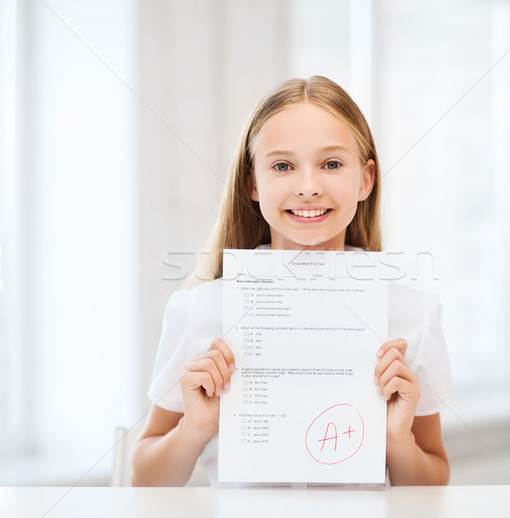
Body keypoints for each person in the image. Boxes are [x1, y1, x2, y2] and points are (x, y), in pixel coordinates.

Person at [131, 76, 453, 487]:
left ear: (365, 180)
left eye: (331, 164)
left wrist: (396, 439)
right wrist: (193, 428)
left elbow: (432, 483)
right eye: (283, 166)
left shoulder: (413, 316)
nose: (308, 187)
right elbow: (145, 480)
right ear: (252, 182)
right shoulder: (200, 310)